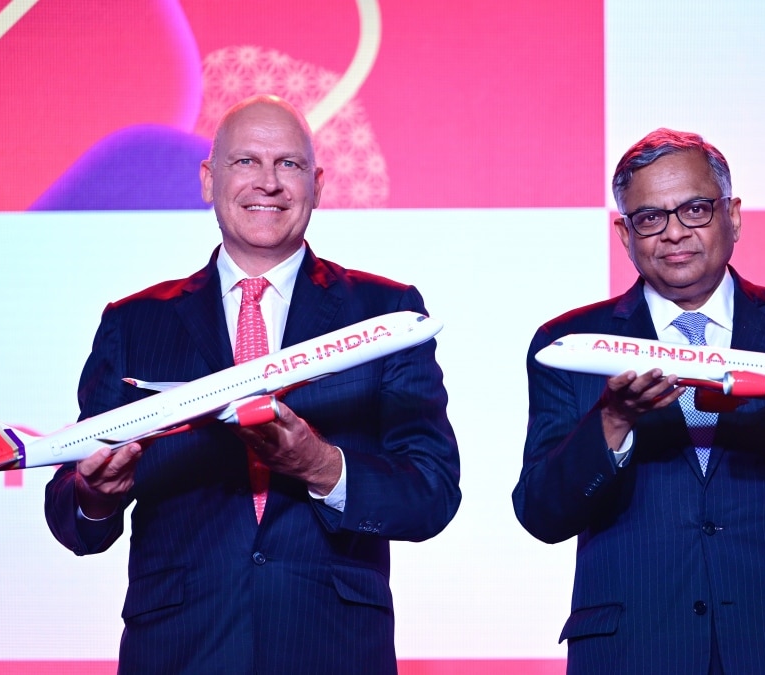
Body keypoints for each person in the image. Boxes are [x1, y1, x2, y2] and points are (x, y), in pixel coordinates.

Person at [45, 95, 461, 674]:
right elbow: (72, 518)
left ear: (316, 183)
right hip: (179, 651)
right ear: (208, 179)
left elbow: (433, 493)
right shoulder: (134, 323)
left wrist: (322, 465)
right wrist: (95, 496)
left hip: (333, 649)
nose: (268, 183)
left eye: (288, 165)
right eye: (246, 162)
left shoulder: (384, 315)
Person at [513, 129, 765, 675]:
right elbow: (541, 514)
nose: (673, 233)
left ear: (732, 216)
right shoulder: (573, 345)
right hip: (631, 652)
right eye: (649, 217)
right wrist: (613, 422)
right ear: (625, 235)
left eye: (694, 209)